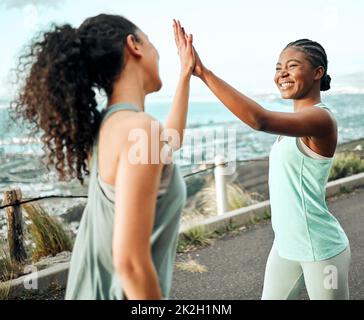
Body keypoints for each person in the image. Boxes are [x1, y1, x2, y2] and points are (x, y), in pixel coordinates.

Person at [11, 15, 195, 300]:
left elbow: (171, 140)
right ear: (133, 44)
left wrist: (185, 74)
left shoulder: (109, 128)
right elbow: (130, 263)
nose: (158, 54)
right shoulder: (139, 129)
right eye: (152, 43)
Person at [175, 24, 350, 299]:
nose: (282, 73)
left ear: (318, 73)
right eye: (279, 67)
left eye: (292, 66)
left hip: (321, 249)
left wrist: (203, 73)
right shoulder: (293, 124)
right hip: (285, 247)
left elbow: (260, 120)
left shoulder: (320, 119)